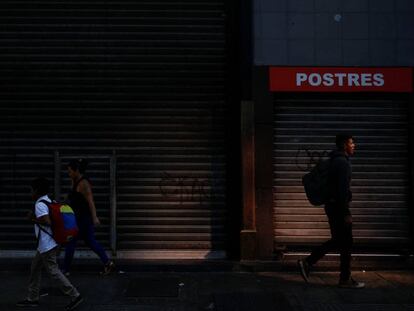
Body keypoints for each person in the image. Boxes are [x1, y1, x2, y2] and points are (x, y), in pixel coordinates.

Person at [298, 134, 365, 289]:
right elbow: (341, 191)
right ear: (344, 145)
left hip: (332, 206)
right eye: (351, 143)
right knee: (346, 242)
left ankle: (311, 263)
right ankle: (342, 278)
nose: (354, 145)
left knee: (340, 240)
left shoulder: (335, 161)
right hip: (338, 208)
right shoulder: (342, 163)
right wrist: (346, 213)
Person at [17, 177, 83, 310]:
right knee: (35, 269)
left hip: (47, 245)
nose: (30, 193)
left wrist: (33, 219)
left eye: (31, 190)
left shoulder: (40, 204)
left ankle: (75, 295)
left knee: (53, 271)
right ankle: (32, 298)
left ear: (36, 191)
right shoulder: (49, 200)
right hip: (47, 244)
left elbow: (47, 222)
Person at [62, 159, 115, 275]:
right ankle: (107, 263)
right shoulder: (74, 180)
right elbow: (72, 194)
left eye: (70, 171)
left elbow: (91, 202)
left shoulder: (83, 184)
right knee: (90, 241)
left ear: (76, 171)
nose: (69, 173)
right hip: (79, 217)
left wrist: (95, 217)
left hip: (83, 219)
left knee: (71, 241)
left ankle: (65, 270)